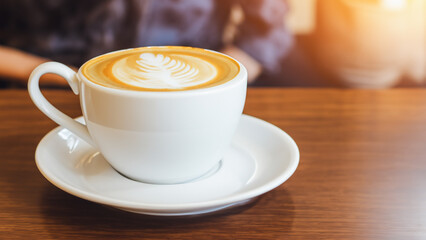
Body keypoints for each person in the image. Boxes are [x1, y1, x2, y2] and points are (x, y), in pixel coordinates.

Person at [0, 0, 310, 88]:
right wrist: (65, 78)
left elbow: (266, 27)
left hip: (195, 86)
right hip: (38, 85)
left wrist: (217, 85)